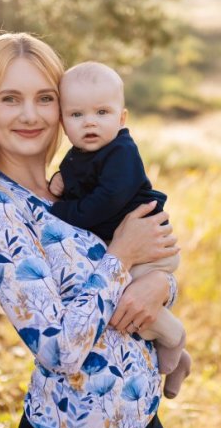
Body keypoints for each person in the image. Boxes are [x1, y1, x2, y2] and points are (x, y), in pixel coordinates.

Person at [0, 32, 184, 428]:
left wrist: (161, 283)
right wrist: (121, 255)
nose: (30, 114)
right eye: (10, 99)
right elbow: (59, 349)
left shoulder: (71, 185)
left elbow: (142, 275)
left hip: (140, 423)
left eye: (45, 98)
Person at [47, 61, 192, 399]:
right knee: (117, 296)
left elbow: (106, 199)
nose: (90, 122)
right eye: (77, 115)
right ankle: (177, 360)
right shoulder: (80, 155)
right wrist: (60, 179)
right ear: (63, 122)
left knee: (120, 300)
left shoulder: (122, 152)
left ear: (122, 118)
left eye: (102, 112)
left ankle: (173, 338)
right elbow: (77, 179)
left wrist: (64, 210)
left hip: (152, 248)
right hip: (133, 247)